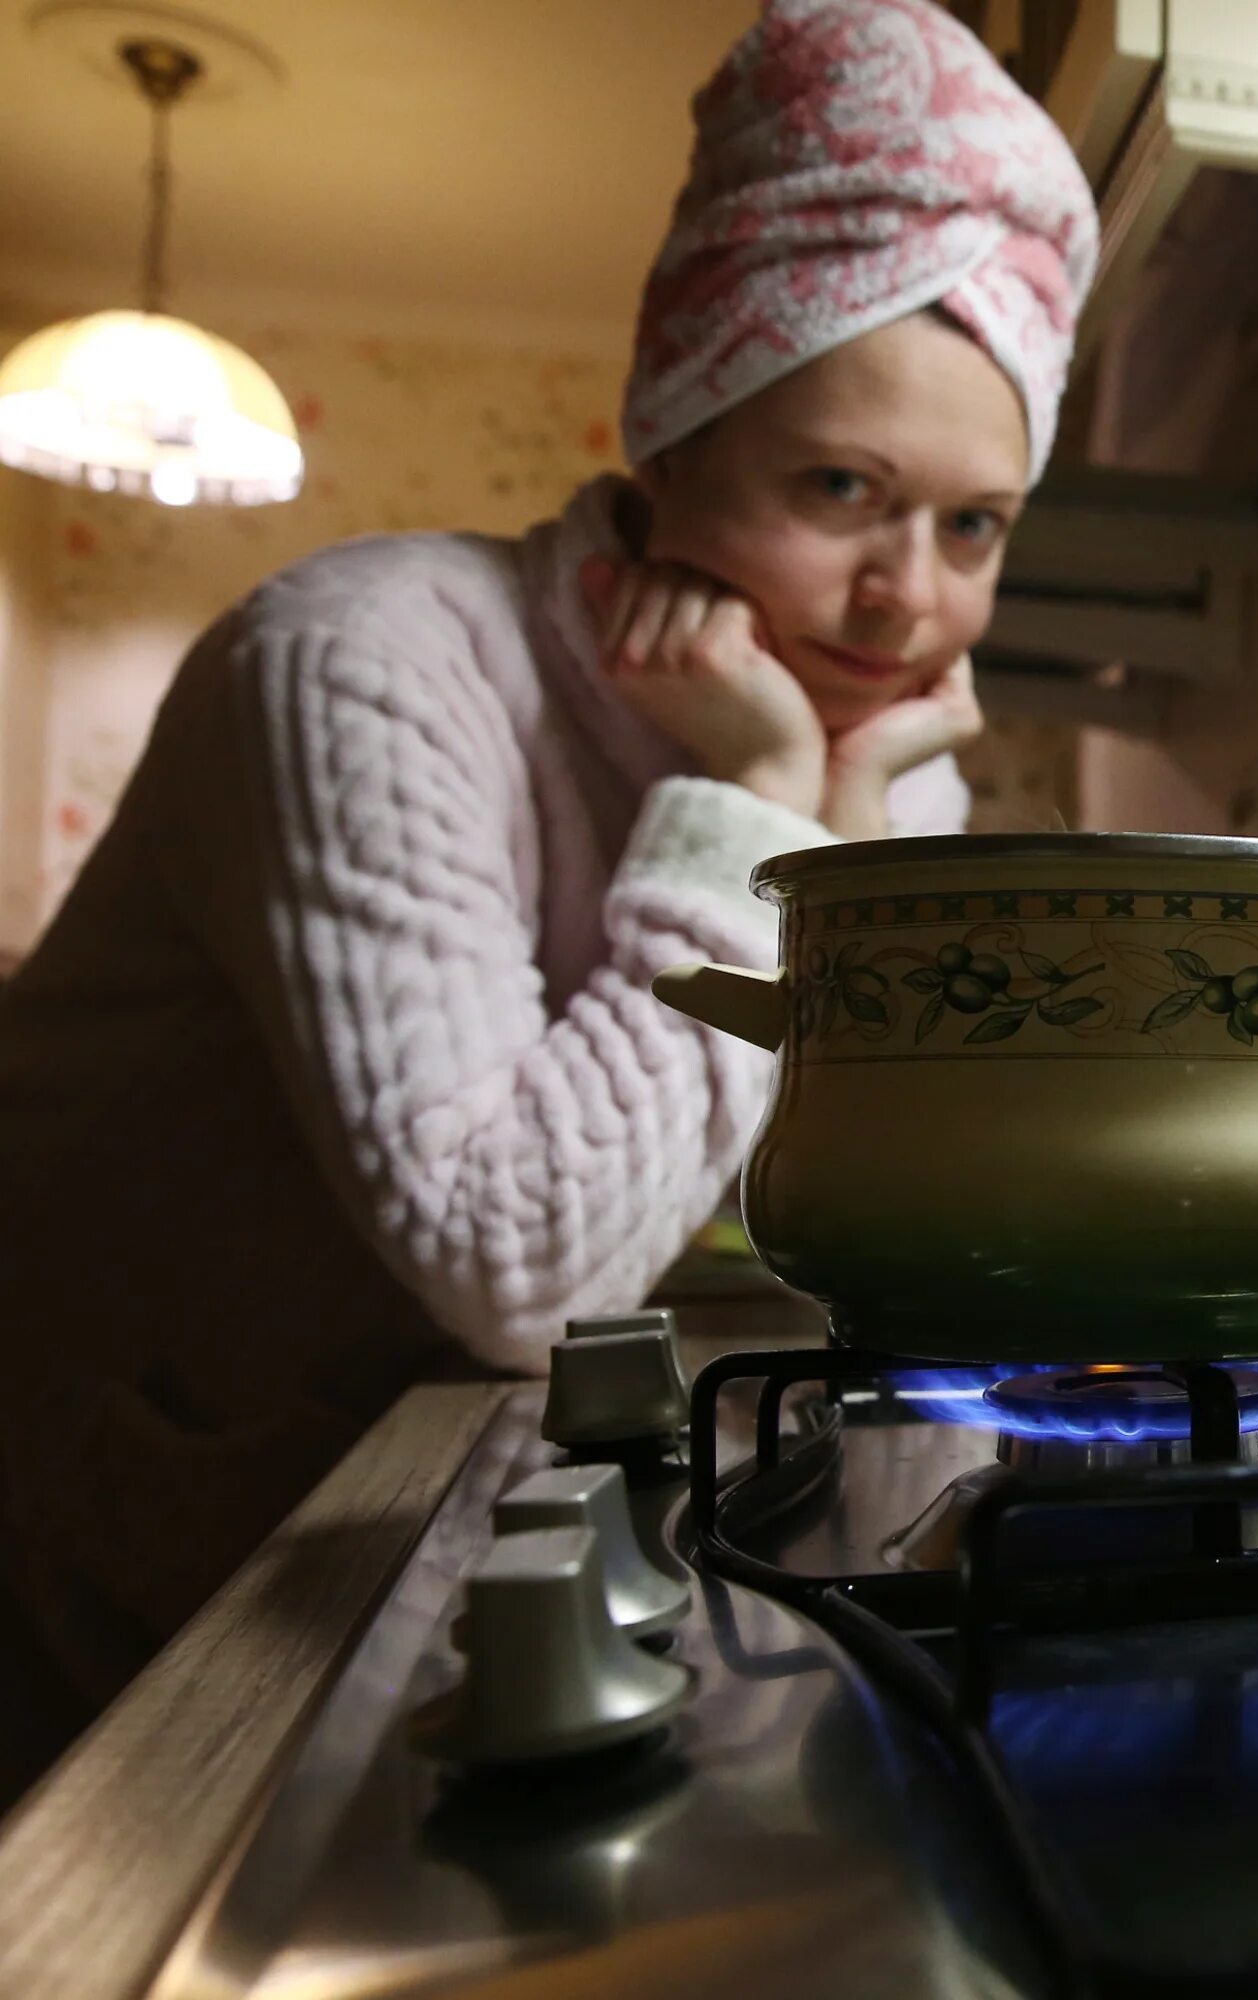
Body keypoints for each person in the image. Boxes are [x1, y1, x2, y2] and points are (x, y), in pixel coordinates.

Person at [0, 0, 1095, 1801]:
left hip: (336, 1498)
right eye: (842, 489)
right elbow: (528, 1265)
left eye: (973, 527)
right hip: (80, 1482)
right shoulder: (367, 662)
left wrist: (826, 805)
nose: (907, 600)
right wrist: (752, 806)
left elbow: (878, 1178)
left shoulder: (871, 745)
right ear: (663, 433)